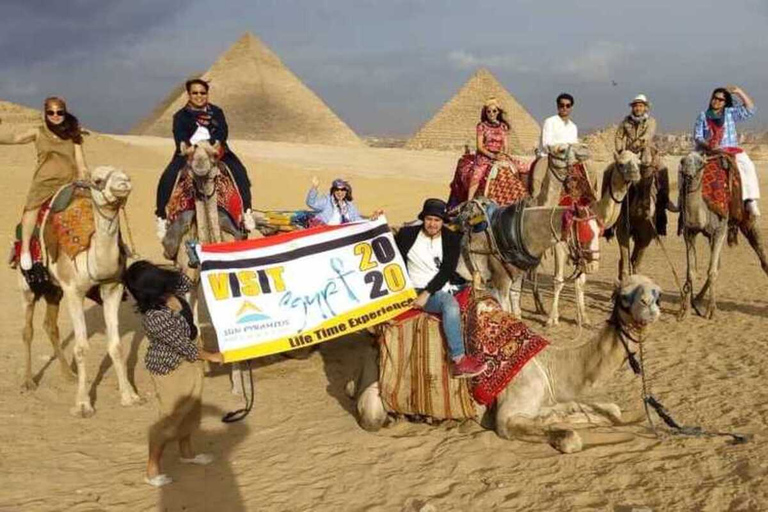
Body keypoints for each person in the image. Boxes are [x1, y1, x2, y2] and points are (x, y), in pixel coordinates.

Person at [124, 260, 223, 487]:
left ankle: (187, 453)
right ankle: (152, 468)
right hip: (172, 368)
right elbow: (183, 347)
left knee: (190, 409)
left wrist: (192, 259)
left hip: (189, 360)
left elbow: (188, 282)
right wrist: (213, 356)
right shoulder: (155, 317)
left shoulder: (170, 290)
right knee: (170, 417)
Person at [395, 199, 487, 378]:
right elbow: (386, 251)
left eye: (437, 220)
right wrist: (376, 222)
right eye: (429, 219)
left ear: (443, 221)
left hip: (440, 286)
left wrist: (428, 293)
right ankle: (459, 360)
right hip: (414, 289)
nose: (432, 224)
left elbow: (446, 271)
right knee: (450, 305)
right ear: (423, 219)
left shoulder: (451, 238)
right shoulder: (407, 234)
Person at [0, 97, 88, 271]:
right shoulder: (38, 132)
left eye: (59, 112)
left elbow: (81, 163)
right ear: (45, 113)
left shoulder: (73, 135)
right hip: (44, 183)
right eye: (51, 112)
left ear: (64, 112)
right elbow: (15, 137)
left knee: (96, 208)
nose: (55, 116)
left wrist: (84, 178)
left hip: (69, 183)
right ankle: (25, 249)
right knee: (31, 210)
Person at [155, 79, 254, 233]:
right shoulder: (180, 116)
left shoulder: (216, 112)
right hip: (190, 152)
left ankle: (247, 211)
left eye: (203, 92)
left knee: (239, 172)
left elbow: (223, 132)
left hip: (215, 151)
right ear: (188, 94)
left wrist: (214, 143)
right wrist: (190, 147)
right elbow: (180, 136)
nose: (199, 96)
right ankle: (161, 216)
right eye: (195, 93)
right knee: (168, 177)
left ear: (207, 94)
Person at [694, 85, 760, 217]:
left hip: (730, 149)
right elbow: (698, 136)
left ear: (725, 103)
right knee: (687, 166)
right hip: (710, 151)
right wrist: (708, 145)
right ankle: (683, 204)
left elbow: (750, 109)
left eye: (720, 99)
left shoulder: (730, 113)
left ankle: (750, 200)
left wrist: (739, 92)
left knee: (747, 166)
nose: (716, 101)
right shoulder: (703, 116)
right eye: (715, 98)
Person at [467, 98, 512, 200]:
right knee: (476, 176)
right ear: (485, 113)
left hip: (501, 156)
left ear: (498, 112)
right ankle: (468, 202)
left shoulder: (503, 127)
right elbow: (480, 146)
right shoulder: (481, 126)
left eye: (494, 111)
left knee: (522, 169)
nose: (491, 113)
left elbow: (506, 145)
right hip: (485, 157)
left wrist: (503, 155)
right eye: (489, 111)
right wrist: (493, 156)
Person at [615, 94, 657, 167]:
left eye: (641, 106)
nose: (638, 108)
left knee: (662, 168)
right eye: (635, 106)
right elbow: (618, 136)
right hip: (629, 152)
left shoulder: (651, 121)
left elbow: (648, 135)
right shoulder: (626, 121)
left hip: (647, 152)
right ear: (632, 108)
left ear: (645, 108)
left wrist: (638, 142)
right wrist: (620, 150)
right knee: (609, 171)